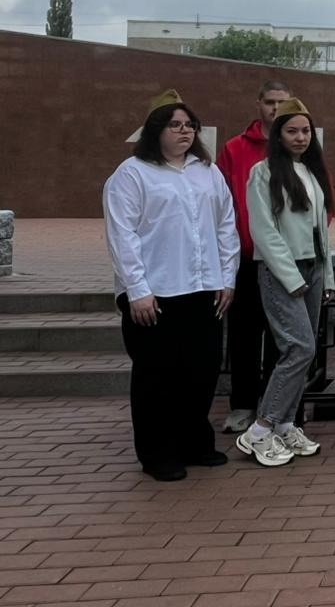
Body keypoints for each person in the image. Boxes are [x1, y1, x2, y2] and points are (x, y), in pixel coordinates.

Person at [104, 89, 238, 481]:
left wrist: (226, 277)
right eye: (174, 124)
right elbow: (122, 234)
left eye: (189, 125)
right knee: (157, 377)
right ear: (155, 130)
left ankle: (194, 443)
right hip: (156, 293)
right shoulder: (132, 174)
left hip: (203, 289)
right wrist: (137, 289)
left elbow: (225, 225)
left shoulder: (207, 171)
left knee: (201, 371)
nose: (184, 131)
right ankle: (157, 453)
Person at [236, 98, 335, 467]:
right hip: (283, 272)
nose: (300, 137)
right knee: (299, 349)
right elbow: (263, 231)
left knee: (301, 351)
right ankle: (260, 429)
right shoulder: (262, 173)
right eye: (292, 131)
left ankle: (285, 424)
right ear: (278, 135)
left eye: (306, 131)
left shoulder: (311, 172)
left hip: (312, 269)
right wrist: (291, 278)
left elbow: (321, 231)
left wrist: (326, 276)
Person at [217, 80, 291, 434]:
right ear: (258, 103)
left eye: (283, 102)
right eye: (270, 102)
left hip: (287, 263)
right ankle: (243, 405)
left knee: (282, 338)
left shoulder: (300, 147)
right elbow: (222, 203)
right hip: (246, 260)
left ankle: (275, 407)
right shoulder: (235, 149)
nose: (276, 108)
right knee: (244, 336)